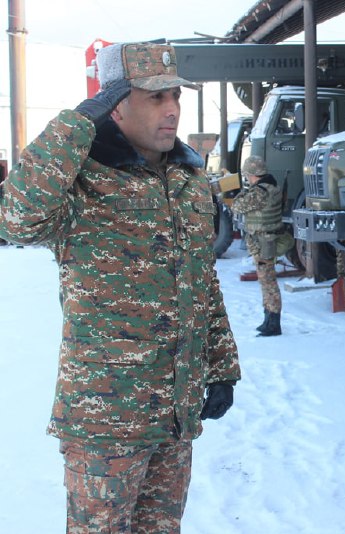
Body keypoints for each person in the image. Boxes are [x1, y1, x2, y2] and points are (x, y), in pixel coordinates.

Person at [0, 42, 241, 532]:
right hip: (105, 419)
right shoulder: (83, 180)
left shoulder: (188, 179)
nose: (171, 109)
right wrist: (75, 124)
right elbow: (17, 219)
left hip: (174, 410)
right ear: (115, 103)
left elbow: (201, 281)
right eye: (154, 98)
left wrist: (221, 365)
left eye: (174, 95)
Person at [232, 155, 291, 337]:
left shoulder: (259, 192)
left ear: (252, 174)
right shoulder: (272, 187)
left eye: (247, 175)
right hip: (267, 240)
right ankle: (268, 319)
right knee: (266, 281)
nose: (247, 178)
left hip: (263, 242)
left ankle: (273, 323)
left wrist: (244, 190)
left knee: (268, 282)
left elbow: (237, 206)